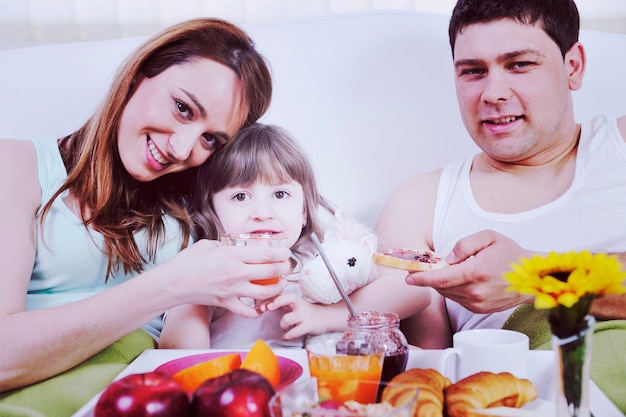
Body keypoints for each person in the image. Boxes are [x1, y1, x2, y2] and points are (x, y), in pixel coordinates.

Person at [0, 18, 287, 398]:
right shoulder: (17, 165)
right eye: (183, 108)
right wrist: (171, 284)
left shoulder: (200, 204)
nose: (182, 150)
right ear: (139, 74)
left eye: (210, 139)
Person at [347, 0, 626, 349]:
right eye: (473, 71)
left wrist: (535, 277)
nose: (492, 94)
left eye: (520, 64)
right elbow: (430, 379)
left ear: (573, 66)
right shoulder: (420, 205)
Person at [160, 123, 396, 349]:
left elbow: (414, 293)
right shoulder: (213, 275)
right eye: (241, 197)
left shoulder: (316, 262)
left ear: (304, 211)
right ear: (212, 212)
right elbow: (178, 351)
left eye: (280, 194)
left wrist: (324, 316)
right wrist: (198, 294)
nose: (262, 213)